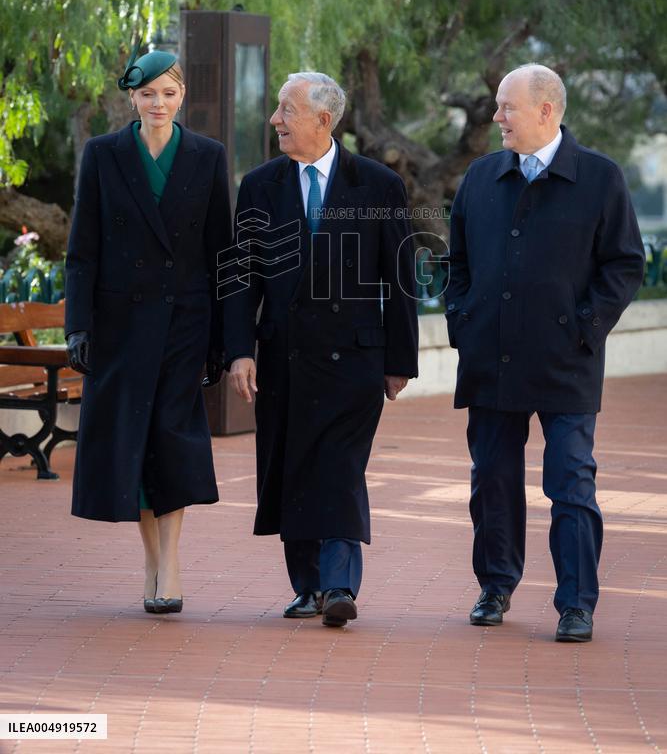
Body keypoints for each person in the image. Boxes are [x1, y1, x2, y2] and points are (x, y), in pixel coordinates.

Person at [446, 63, 644, 642]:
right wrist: (464, 320)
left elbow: (625, 263)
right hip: (491, 358)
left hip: (567, 361)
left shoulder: (601, 179)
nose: (496, 117)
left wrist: (586, 328)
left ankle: (576, 603)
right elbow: (456, 263)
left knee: (571, 482)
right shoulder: (481, 177)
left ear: (546, 111)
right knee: (493, 481)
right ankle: (495, 586)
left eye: (507, 106)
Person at [224, 72, 419, 627]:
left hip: (353, 357)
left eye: (286, 110)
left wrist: (400, 360)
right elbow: (242, 277)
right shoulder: (260, 185)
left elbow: (400, 277)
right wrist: (240, 350)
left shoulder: (377, 184)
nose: (275, 120)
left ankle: (337, 585)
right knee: (291, 464)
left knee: (337, 465)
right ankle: (307, 587)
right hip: (284, 357)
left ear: (323, 121)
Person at [65, 45, 231, 614]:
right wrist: (78, 327)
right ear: (131, 98)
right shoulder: (104, 154)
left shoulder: (208, 156)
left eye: (168, 92)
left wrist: (224, 342)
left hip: (185, 322)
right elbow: (81, 251)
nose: (157, 103)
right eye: (146, 93)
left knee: (172, 437)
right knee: (133, 440)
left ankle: (172, 563)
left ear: (182, 95)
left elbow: (222, 255)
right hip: (119, 326)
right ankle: (151, 561)